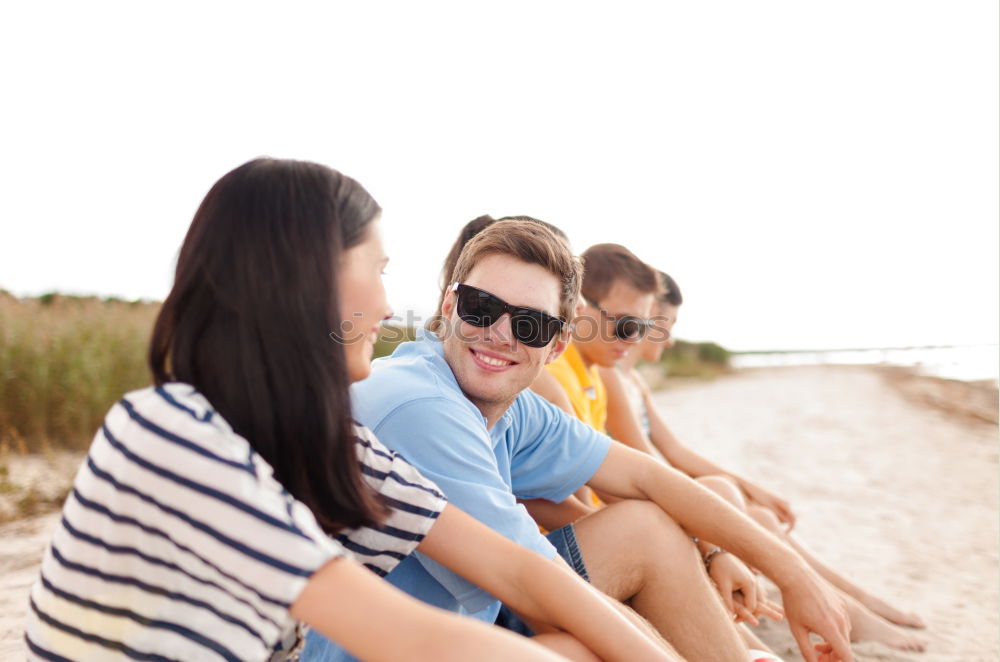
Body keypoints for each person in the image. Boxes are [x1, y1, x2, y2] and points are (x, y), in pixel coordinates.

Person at [23, 159, 669, 662]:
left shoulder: (315, 442)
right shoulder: (173, 438)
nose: (390, 308)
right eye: (379, 269)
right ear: (308, 276)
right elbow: (416, 640)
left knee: (575, 646)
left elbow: (523, 573)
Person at [314, 218, 855, 662]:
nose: (500, 333)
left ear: (556, 344)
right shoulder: (422, 405)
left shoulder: (506, 401)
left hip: (465, 619)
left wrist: (793, 573)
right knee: (582, 646)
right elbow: (536, 590)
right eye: (482, 307)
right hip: (383, 648)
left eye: (530, 324)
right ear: (450, 305)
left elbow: (645, 475)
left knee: (644, 528)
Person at [597, 271, 929, 652]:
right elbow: (649, 467)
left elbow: (676, 452)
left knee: (759, 512)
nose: (670, 338)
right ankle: (845, 611)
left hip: (648, 491)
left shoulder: (634, 382)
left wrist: (752, 488)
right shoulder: (608, 378)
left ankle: (852, 603)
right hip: (632, 505)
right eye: (664, 326)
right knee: (739, 507)